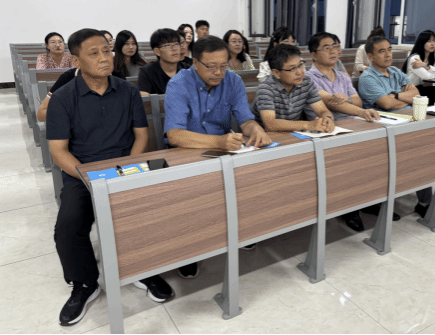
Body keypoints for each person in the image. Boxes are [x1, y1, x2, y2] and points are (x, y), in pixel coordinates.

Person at [47, 29, 173, 327]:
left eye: (106, 50)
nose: (104, 58)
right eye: (94, 53)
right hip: (81, 173)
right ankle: (85, 283)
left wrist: (124, 172)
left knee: (154, 208)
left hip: (125, 167)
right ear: (76, 60)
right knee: (68, 225)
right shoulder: (63, 98)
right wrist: (90, 179)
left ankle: (145, 269)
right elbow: (58, 151)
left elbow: (141, 137)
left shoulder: (127, 91)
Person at [165, 36, 272, 277]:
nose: (218, 72)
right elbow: (175, 135)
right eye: (211, 66)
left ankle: (240, 231)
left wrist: (256, 130)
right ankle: (189, 250)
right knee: (192, 194)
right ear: (195, 63)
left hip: (223, 149)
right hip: (187, 150)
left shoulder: (233, 81)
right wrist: (218, 142)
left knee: (252, 178)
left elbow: (245, 119)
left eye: (223, 66)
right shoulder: (179, 84)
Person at [305, 33, 398, 231]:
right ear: (313, 54)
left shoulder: (341, 75)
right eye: (327, 48)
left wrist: (349, 101)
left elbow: (357, 101)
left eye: (335, 46)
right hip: (328, 129)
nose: (333, 51)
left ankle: (369, 200)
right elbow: (331, 103)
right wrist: (358, 110)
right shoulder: (308, 78)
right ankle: (350, 208)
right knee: (350, 159)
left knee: (378, 152)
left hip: (351, 124)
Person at [252, 44, 336, 133]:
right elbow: (270, 124)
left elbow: (322, 110)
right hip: (265, 135)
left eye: (300, 65)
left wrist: (327, 118)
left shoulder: (306, 82)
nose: (300, 72)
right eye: (292, 69)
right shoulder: (266, 88)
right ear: (277, 73)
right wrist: (308, 125)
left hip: (291, 133)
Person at [37, 67, 126, 122]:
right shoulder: (67, 78)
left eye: (106, 51)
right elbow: (41, 114)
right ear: (76, 59)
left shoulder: (116, 76)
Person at [358, 36, 420, 112]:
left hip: (409, 113)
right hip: (389, 117)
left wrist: (395, 96)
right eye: (382, 51)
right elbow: (387, 104)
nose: (388, 55)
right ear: (370, 57)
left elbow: (416, 95)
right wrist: (408, 100)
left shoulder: (395, 71)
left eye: (389, 50)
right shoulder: (367, 78)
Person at [402, 30, 435, 105]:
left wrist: (427, 67)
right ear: (422, 42)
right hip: (412, 90)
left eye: (434, 40)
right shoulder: (415, 59)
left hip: (422, 88)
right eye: (429, 41)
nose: (432, 44)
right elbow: (427, 77)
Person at [139, 29, 187, 96]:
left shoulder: (187, 70)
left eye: (176, 44)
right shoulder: (147, 72)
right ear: (157, 51)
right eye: (168, 45)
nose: (174, 49)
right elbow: (145, 100)